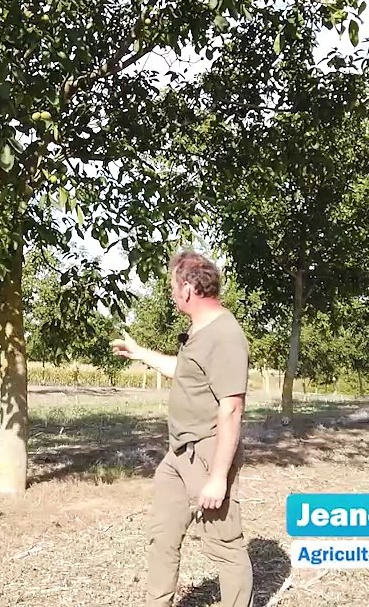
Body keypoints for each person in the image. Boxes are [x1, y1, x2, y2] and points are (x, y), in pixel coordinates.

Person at [111, 250, 253, 607]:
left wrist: (218, 476)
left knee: (224, 545)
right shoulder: (200, 331)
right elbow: (184, 370)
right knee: (162, 533)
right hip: (179, 454)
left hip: (207, 452)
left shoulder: (226, 335)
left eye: (173, 286)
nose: (172, 293)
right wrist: (139, 352)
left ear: (188, 288)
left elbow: (232, 409)